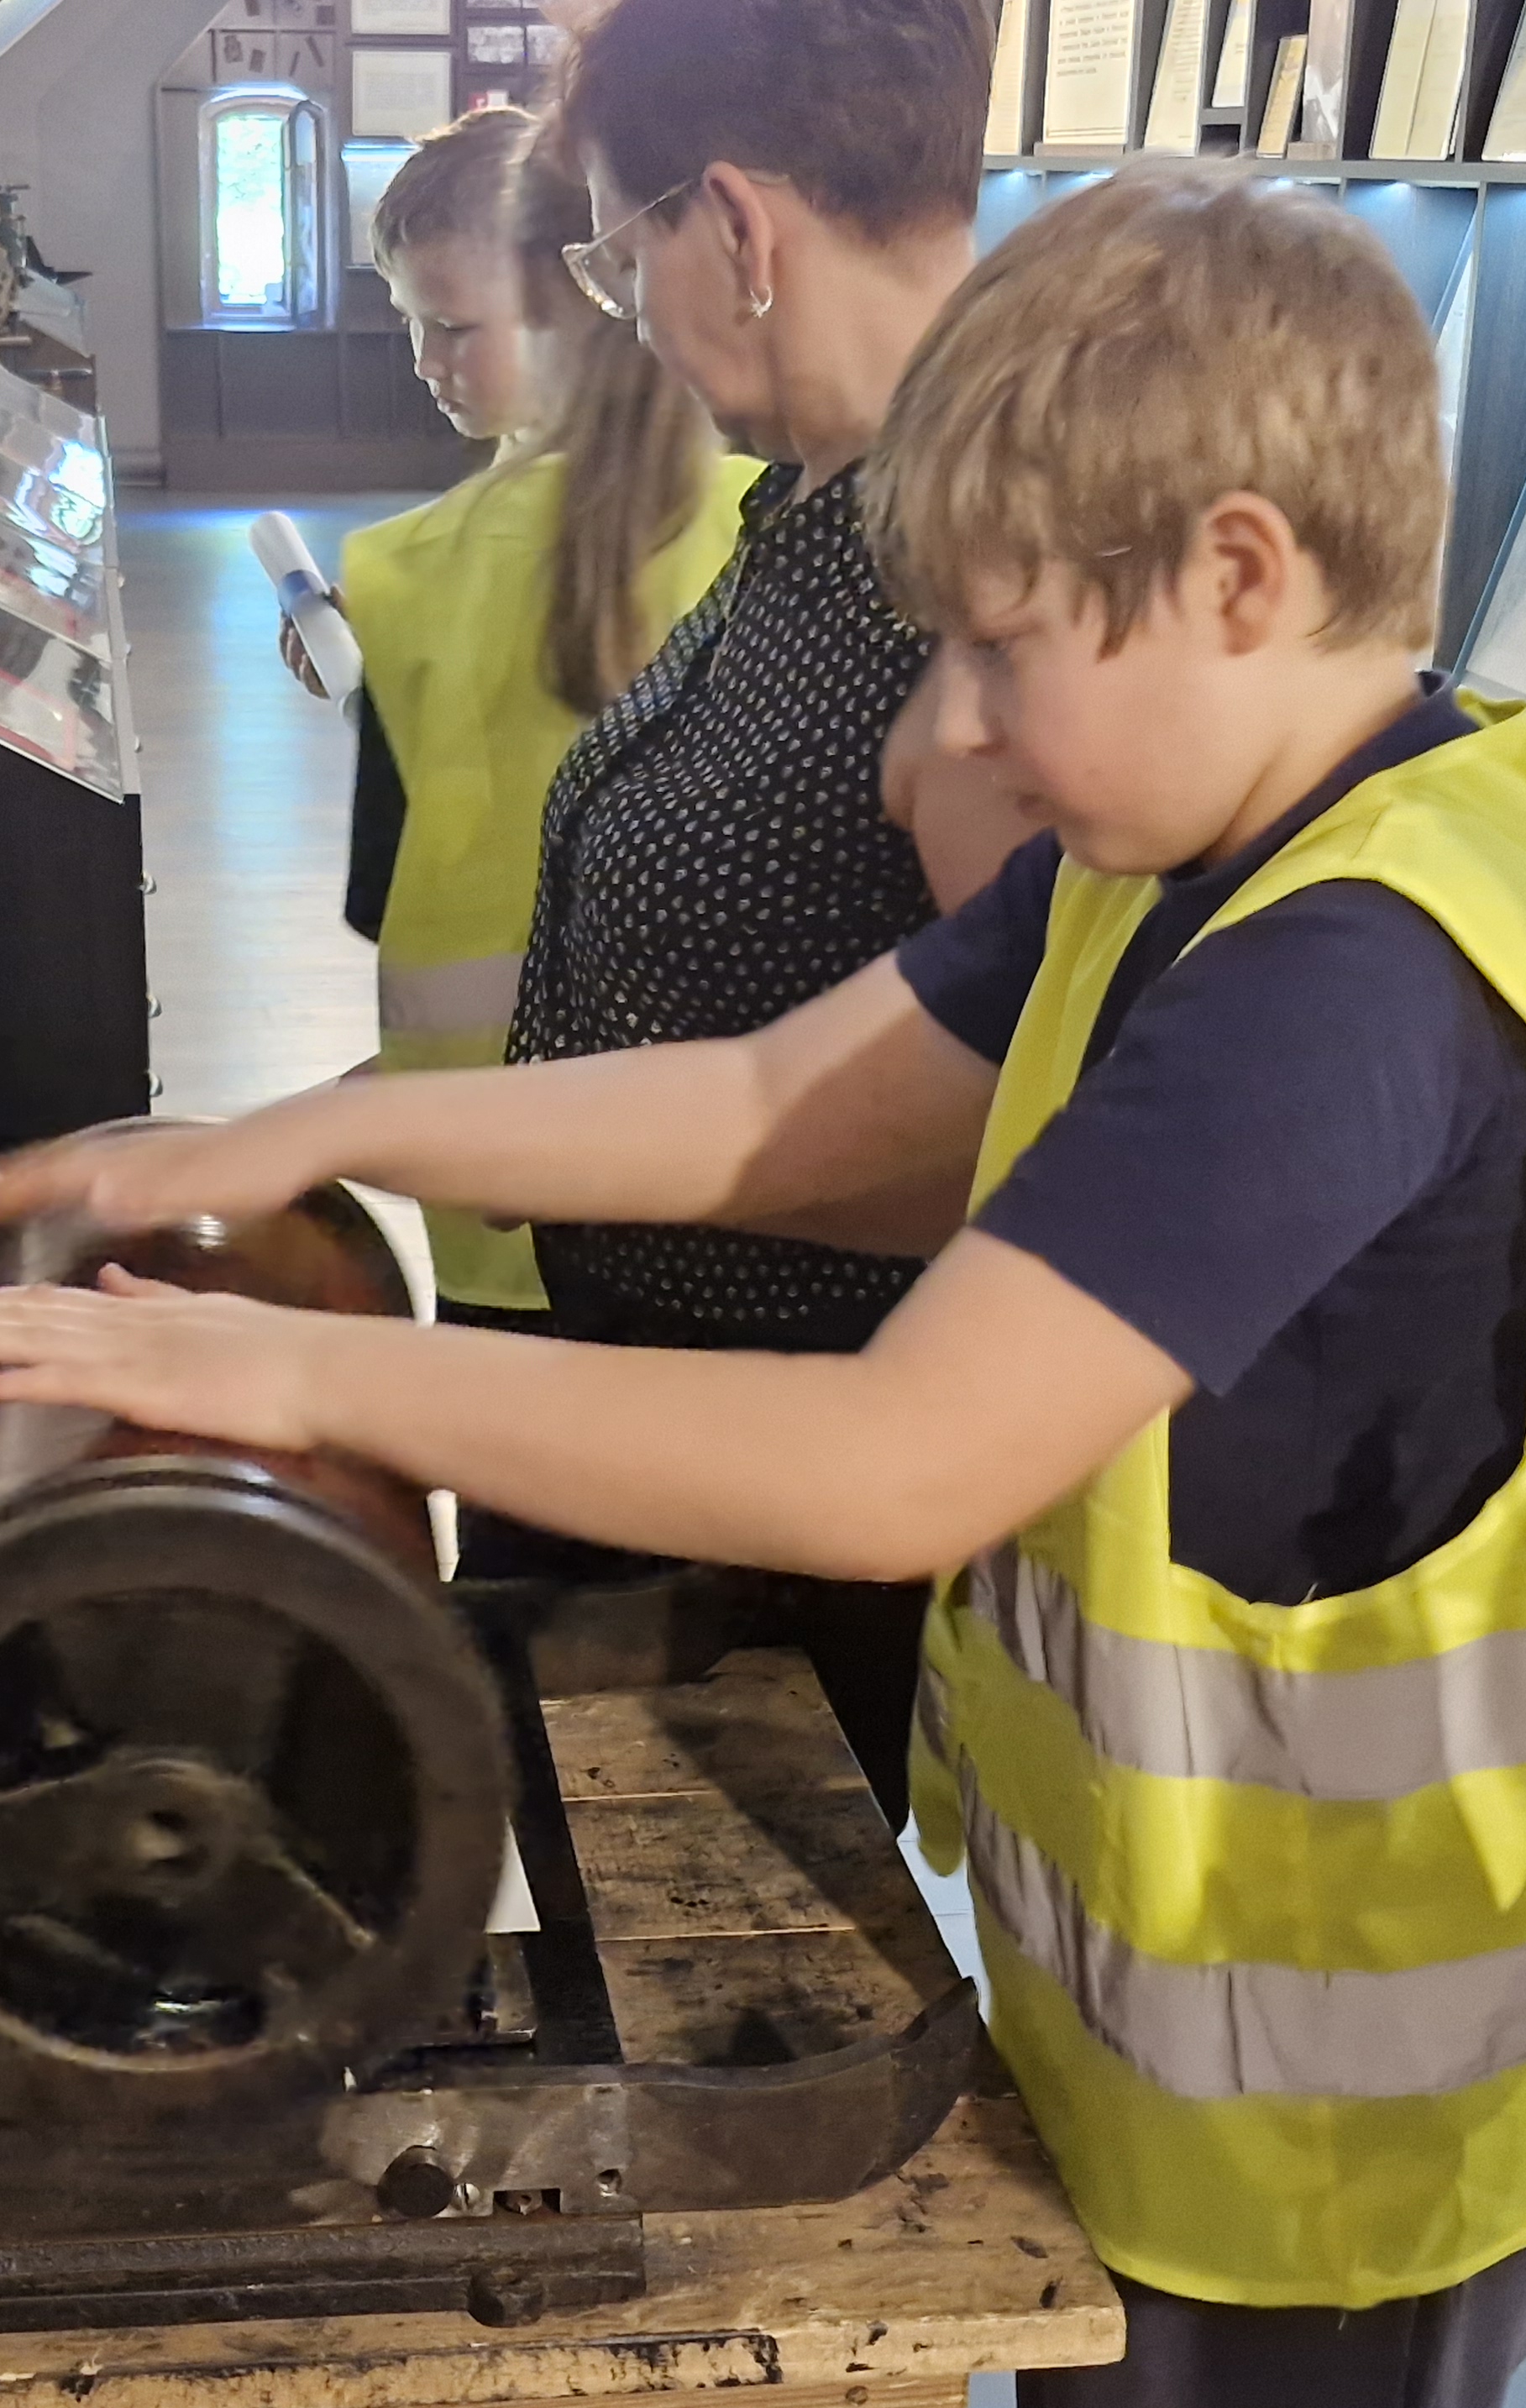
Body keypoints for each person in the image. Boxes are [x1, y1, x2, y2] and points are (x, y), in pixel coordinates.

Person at [0, 165, 1526, 2408]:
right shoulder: (1198, 853)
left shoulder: (1346, 973)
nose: (950, 735)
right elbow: (764, 1108)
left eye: (1003, 650)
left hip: (1362, 2118)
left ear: (1239, 575)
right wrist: (299, 1132)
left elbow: (891, 1462)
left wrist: (300, 1375)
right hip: (1209, 2033)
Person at [438, 0, 994, 1818]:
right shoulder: (814, 501)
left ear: (739, 226)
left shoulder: (966, 575)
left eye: (617, 255)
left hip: (769, 1485)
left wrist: (580, 1154)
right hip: (648, 1415)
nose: (619, 311)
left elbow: (1024, 1160)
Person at [333, 110, 759, 1382]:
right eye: (409, 324)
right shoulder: (769, 523)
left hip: (491, 1178)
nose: (426, 362)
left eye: (455, 326)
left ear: (576, 310)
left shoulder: (404, 574)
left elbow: (384, 889)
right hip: (722, 1178)